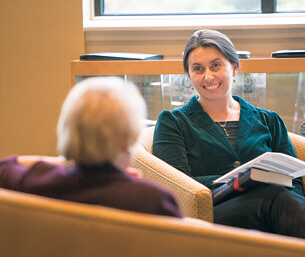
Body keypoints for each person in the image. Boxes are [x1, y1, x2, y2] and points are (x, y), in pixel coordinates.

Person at [153, 29, 305, 256]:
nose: (208, 76)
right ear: (189, 75)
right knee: (277, 201)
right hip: (208, 216)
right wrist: (241, 179)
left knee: (284, 201)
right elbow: (176, 186)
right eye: (198, 69)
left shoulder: (268, 119)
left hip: (275, 208)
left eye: (216, 65)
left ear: (234, 68)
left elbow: (295, 184)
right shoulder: (173, 122)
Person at [0, 76, 182, 218]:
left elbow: (5, 165)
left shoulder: (33, 182)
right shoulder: (153, 201)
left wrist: (61, 164)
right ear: (127, 138)